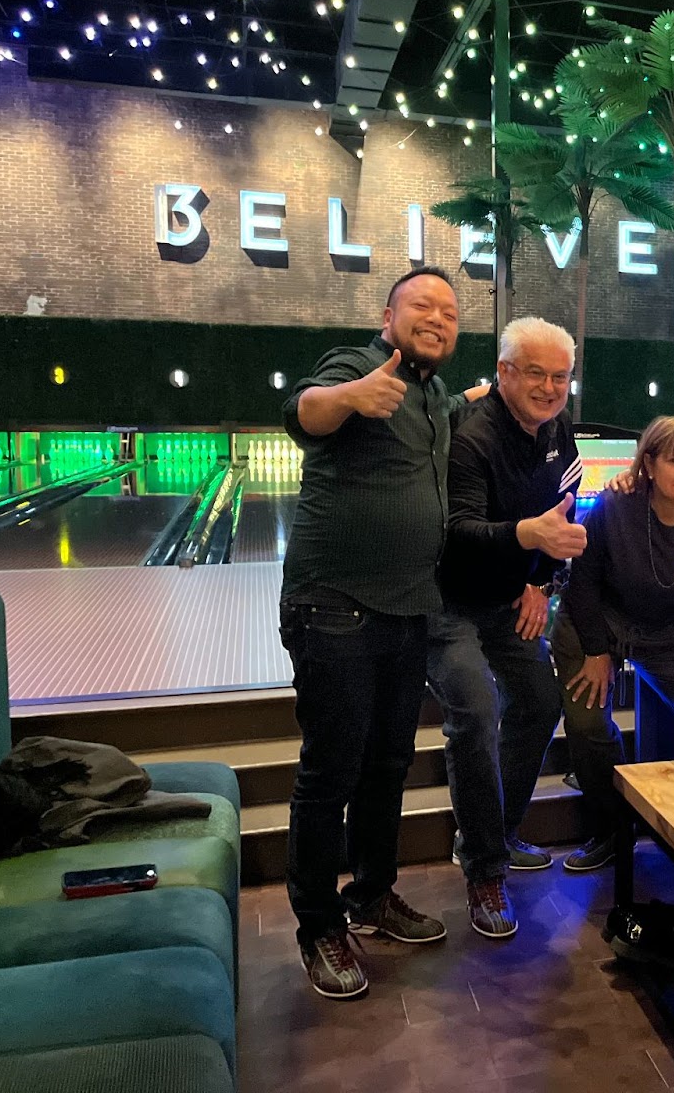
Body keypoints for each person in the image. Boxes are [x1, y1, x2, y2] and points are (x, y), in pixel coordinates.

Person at [279, 265, 465, 1000]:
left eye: (450, 311)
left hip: (406, 608)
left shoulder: (435, 393)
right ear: (387, 315)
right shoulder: (358, 365)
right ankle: (319, 925)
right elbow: (304, 411)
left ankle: (373, 894)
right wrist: (348, 398)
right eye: (423, 304)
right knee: (331, 772)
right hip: (336, 607)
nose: (438, 317)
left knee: (387, 765)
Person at [427, 317, 587, 942]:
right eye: (537, 374)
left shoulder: (557, 430)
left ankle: (492, 833)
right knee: (474, 705)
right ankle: (485, 872)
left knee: (541, 700)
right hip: (448, 600)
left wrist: (538, 581)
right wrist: (526, 538)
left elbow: (565, 508)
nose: (549, 388)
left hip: (507, 595)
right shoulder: (473, 437)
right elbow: (457, 533)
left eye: (560, 377)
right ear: (505, 373)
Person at [553, 416, 674, 871]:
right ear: (650, 465)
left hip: (666, 631)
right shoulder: (615, 504)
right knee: (587, 725)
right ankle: (611, 829)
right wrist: (597, 651)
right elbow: (583, 582)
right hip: (595, 621)